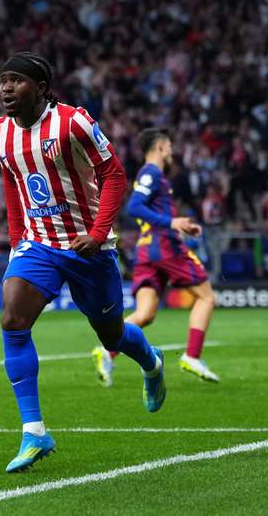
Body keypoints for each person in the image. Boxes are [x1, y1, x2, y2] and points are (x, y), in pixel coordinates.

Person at [0, 52, 165, 474]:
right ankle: (34, 431)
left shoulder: (74, 122)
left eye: (17, 80)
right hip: (38, 244)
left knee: (111, 335)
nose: (7, 88)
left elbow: (114, 175)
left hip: (89, 248)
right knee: (13, 319)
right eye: (4, 80)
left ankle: (151, 362)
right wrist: (17, 241)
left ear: (41, 88)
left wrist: (100, 232)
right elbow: (13, 183)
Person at [92, 128, 219, 387]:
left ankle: (106, 350)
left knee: (145, 313)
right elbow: (134, 206)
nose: (172, 151)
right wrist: (172, 222)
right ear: (160, 147)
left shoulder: (148, 175)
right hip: (165, 246)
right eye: (169, 145)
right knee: (206, 297)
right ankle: (192, 356)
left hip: (147, 249)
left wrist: (177, 223)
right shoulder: (152, 173)